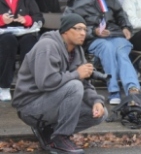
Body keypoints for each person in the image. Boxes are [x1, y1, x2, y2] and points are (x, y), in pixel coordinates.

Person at [12, 13, 108, 153]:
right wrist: (77, 74)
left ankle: (49, 133)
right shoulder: (47, 46)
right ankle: (61, 138)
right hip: (30, 106)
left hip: (52, 102)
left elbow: (85, 83)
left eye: (85, 30)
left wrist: (96, 101)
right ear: (66, 30)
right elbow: (46, 82)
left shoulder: (77, 50)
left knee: (101, 113)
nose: (83, 33)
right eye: (79, 29)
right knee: (74, 86)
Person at [64, 0, 140, 105]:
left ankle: (132, 89)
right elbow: (71, 29)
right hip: (93, 39)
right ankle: (114, 90)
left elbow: (120, 14)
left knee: (121, 53)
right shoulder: (73, 5)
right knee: (107, 48)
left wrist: (125, 27)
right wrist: (94, 32)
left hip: (115, 34)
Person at [0, 0, 43, 102]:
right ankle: (4, 85)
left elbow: (39, 17)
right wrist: (1, 19)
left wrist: (27, 20)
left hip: (24, 31)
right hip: (3, 34)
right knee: (8, 42)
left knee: (30, 42)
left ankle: (26, 84)